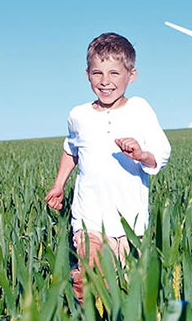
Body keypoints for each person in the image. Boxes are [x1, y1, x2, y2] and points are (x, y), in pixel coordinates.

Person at [44, 32, 171, 302]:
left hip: (130, 224)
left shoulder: (140, 109)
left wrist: (141, 154)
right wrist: (58, 185)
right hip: (89, 218)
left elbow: (161, 156)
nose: (105, 81)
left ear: (131, 75)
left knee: (124, 291)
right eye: (97, 73)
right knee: (91, 278)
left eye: (114, 73)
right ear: (87, 74)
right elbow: (71, 149)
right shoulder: (78, 115)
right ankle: (80, 319)